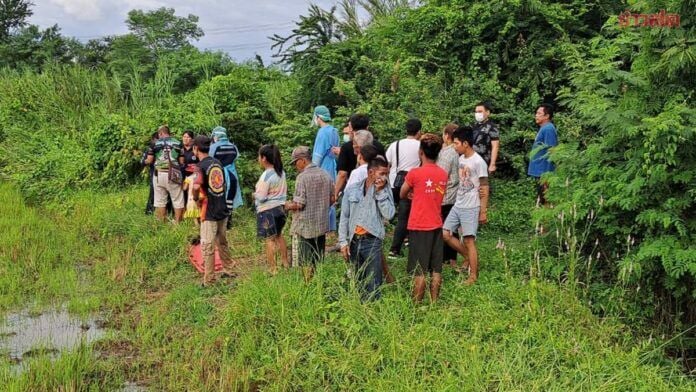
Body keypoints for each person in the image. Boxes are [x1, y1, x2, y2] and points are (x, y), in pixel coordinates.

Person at [400, 134, 448, 302]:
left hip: (419, 225)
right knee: (436, 269)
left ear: (421, 152)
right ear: (438, 153)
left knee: (419, 270)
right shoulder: (443, 174)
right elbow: (440, 195)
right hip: (436, 223)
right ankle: (434, 303)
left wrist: (413, 194)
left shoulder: (415, 173)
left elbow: (402, 193)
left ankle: (416, 306)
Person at [338, 156, 395, 301]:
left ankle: (373, 309)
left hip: (372, 240)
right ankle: (360, 308)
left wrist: (380, 192)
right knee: (358, 277)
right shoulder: (352, 189)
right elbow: (344, 217)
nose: (384, 177)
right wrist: (343, 242)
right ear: (371, 172)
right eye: (381, 173)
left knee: (373, 279)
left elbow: (389, 214)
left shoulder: (385, 189)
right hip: (354, 240)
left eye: (386, 174)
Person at [442, 126, 489, 285]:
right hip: (458, 203)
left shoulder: (478, 161)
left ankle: (473, 276)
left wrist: (483, 210)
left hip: (471, 206)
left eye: (456, 143)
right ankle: (468, 257)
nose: (454, 146)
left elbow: (484, 186)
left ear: (466, 143)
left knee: (469, 240)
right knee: (446, 234)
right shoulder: (460, 159)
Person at [285, 146, 334, 282]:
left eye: (295, 162)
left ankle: (307, 286)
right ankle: (317, 283)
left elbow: (299, 204)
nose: (295, 166)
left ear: (302, 160)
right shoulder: (325, 174)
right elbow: (332, 198)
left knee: (305, 260)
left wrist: (288, 205)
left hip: (305, 226)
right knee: (317, 258)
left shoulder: (302, 178)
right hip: (321, 225)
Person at [191, 135, 235, 286]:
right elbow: (223, 185)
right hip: (222, 207)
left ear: (196, 148)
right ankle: (229, 269)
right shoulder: (217, 163)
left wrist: (195, 198)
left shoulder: (200, 166)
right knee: (222, 241)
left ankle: (209, 279)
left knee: (208, 245)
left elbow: (196, 186)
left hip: (208, 210)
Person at [386, 118, 422, 258]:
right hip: (411, 186)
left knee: (404, 215)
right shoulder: (421, 146)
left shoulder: (395, 145)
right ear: (419, 131)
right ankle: (394, 249)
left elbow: (387, 164)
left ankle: (407, 240)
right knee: (405, 217)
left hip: (395, 183)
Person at [254, 144, 289, 274]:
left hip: (268, 210)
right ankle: (285, 262)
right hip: (281, 208)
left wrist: (254, 194)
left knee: (270, 239)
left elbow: (262, 197)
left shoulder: (266, 176)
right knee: (279, 235)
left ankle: (273, 268)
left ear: (263, 158)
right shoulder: (281, 172)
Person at [144, 125, 185, 222]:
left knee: (160, 200)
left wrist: (144, 161)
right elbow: (182, 161)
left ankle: (162, 222)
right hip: (173, 174)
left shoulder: (154, 144)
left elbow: (149, 160)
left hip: (159, 174)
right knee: (177, 199)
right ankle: (177, 223)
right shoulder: (178, 143)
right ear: (168, 132)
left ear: (160, 133)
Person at [310, 105, 340, 233]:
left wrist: (311, 170)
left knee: (321, 198)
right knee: (331, 197)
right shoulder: (334, 131)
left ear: (318, 117)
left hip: (323, 168)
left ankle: (322, 228)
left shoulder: (322, 133)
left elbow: (318, 155)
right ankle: (331, 228)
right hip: (332, 167)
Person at [436, 123, 460, 268]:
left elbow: (441, 177)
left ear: (446, 136)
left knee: (446, 230)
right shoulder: (458, 151)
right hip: (454, 194)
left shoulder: (447, 153)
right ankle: (451, 260)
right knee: (452, 228)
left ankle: (448, 260)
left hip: (446, 196)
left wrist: (436, 196)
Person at [210, 126, 243, 224]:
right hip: (232, 175)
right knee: (230, 196)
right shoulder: (233, 147)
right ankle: (229, 220)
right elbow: (235, 158)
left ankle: (220, 219)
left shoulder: (213, 147)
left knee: (219, 196)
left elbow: (210, 160)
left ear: (216, 136)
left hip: (218, 175)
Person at [527, 103, 558, 206]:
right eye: (536, 113)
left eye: (539, 113)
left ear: (547, 116)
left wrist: (547, 174)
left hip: (544, 171)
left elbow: (551, 150)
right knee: (542, 196)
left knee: (546, 196)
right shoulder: (544, 128)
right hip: (540, 171)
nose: (536, 115)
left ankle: (547, 220)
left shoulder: (548, 129)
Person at [471, 102, 501, 173]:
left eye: (480, 111)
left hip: (483, 161)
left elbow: (495, 146)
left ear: (487, 112)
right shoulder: (474, 126)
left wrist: (492, 164)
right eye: (476, 112)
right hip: (471, 161)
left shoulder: (492, 127)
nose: (477, 114)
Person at [141, 131, 159, 215]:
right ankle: (150, 211)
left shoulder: (166, 148)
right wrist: (148, 161)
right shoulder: (150, 149)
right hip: (154, 173)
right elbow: (142, 162)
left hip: (166, 174)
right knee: (153, 193)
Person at [181, 130, 198, 210]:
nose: (185, 139)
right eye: (184, 137)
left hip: (192, 176)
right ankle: (183, 212)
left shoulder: (195, 150)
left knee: (191, 195)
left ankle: (192, 213)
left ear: (192, 139)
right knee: (182, 194)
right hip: (181, 175)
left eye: (188, 137)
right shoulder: (180, 149)